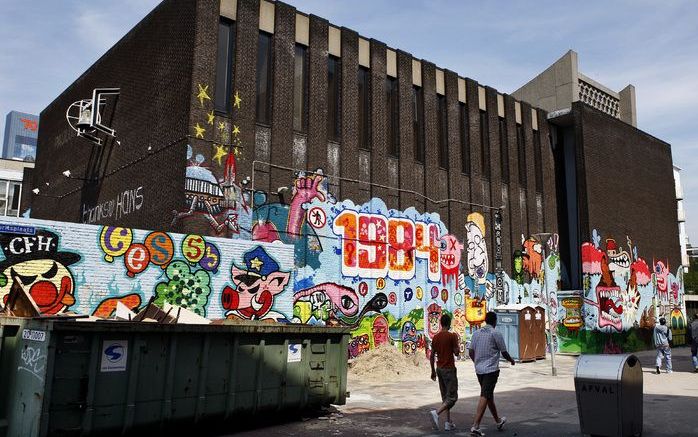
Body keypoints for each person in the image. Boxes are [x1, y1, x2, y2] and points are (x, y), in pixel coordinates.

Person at [468, 311, 515, 436]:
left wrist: (476, 362)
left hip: (479, 370)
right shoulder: (496, 333)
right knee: (485, 394)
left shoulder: (476, 333)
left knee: (488, 396)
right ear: (495, 321)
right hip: (491, 370)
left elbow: (471, 351)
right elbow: (503, 351)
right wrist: (511, 360)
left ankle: (498, 421)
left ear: (485, 320)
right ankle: (475, 426)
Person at [429, 313, 461, 431]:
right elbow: (457, 352)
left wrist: (433, 371)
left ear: (441, 324)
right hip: (449, 369)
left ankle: (448, 422)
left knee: (445, 397)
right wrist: (456, 347)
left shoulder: (436, 337)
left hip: (439, 369)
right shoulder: (452, 336)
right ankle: (436, 413)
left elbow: (432, 356)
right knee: (452, 397)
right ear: (449, 323)